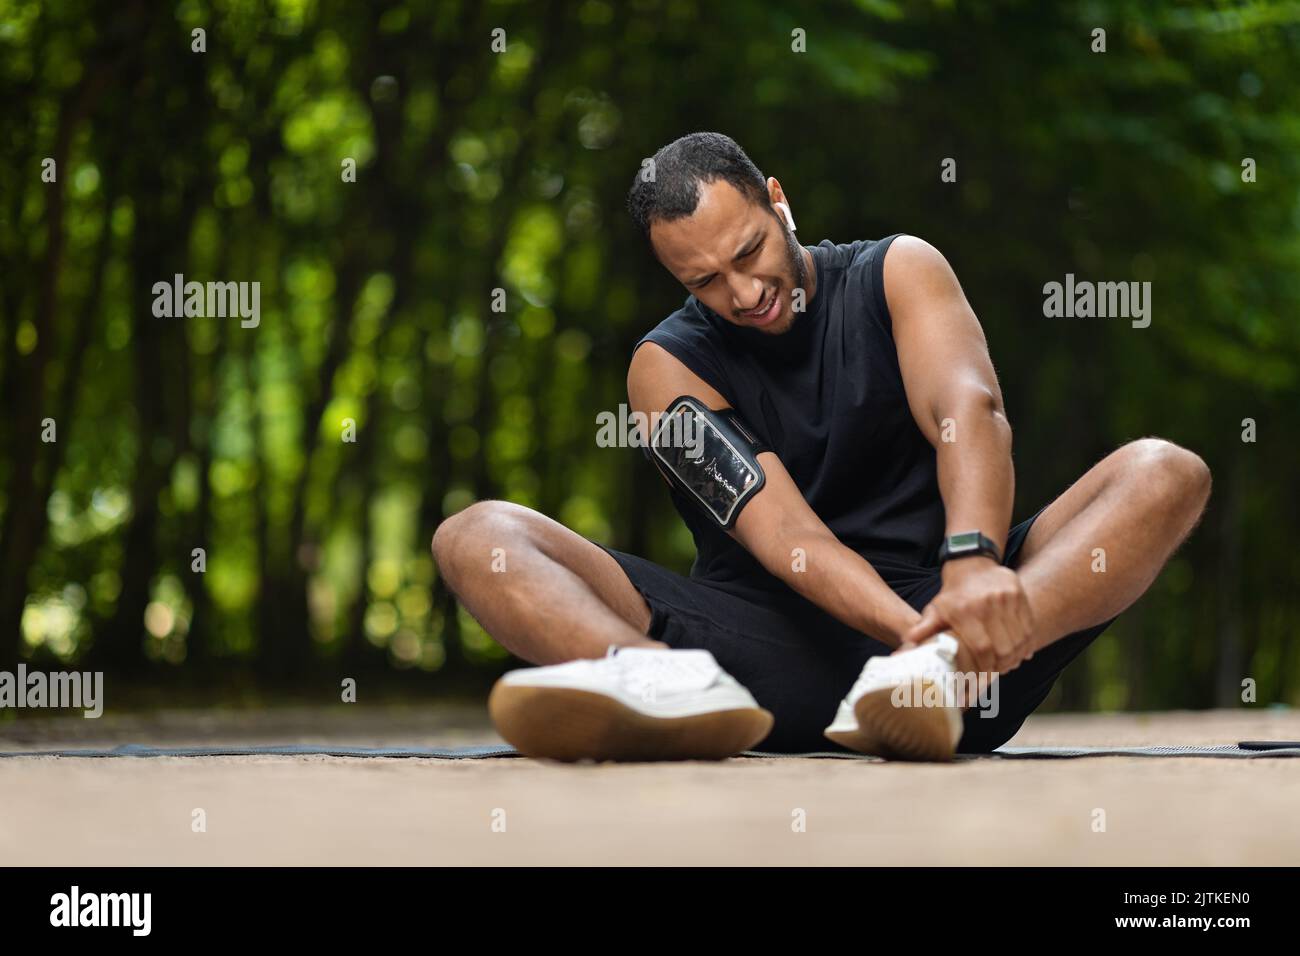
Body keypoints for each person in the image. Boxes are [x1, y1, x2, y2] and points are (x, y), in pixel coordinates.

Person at [431, 131, 1211, 762]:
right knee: (477, 535)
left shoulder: (900, 270)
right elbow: (788, 538)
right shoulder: (663, 368)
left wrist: (971, 577)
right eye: (703, 281)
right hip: (760, 652)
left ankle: (951, 670)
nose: (742, 293)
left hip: (960, 645)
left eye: (747, 254)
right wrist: (914, 638)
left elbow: (967, 412)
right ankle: (659, 688)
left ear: (778, 200)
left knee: (1165, 471)